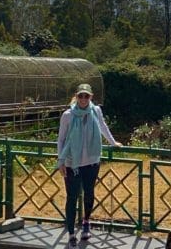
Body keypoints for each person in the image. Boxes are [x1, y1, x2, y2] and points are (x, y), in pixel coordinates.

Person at [57, 82, 118, 246]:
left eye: (86, 96)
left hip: (91, 161)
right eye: (80, 96)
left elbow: (103, 127)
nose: (83, 99)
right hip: (72, 163)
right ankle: (70, 233)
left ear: (91, 97)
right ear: (76, 97)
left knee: (89, 194)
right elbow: (61, 139)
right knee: (71, 197)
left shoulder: (96, 111)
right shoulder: (68, 115)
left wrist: (113, 142)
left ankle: (86, 223)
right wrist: (60, 161)